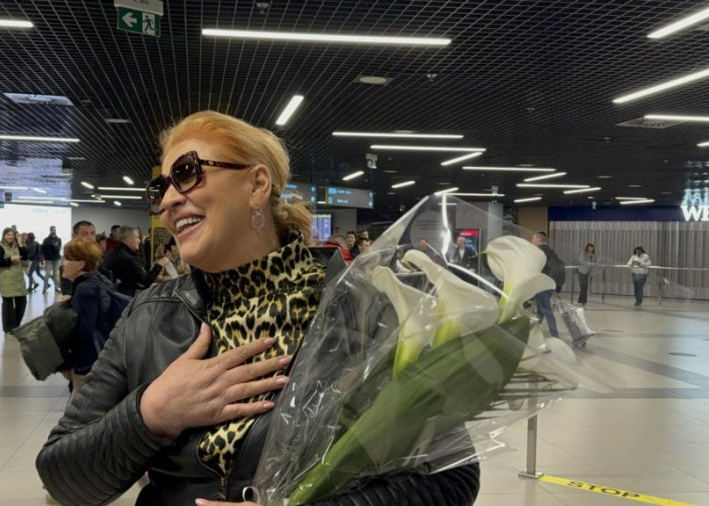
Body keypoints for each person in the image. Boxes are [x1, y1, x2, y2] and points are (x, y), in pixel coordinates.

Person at [36, 110, 480, 505]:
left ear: (258, 184)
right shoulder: (149, 315)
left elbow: (451, 474)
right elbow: (62, 478)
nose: (168, 201)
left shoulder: (360, 307)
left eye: (187, 173)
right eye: (161, 188)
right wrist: (151, 412)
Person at [61, 239, 121, 397]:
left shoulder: (84, 289)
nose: (63, 264)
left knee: (79, 403)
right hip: (100, 353)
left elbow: (84, 331)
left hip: (87, 358)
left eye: (67, 259)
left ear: (80, 264)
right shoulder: (99, 281)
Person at [99, 226, 168, 296]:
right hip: (124, 296)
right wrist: (159, 264)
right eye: (137, 238)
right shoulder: (129, 259)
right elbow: (146, 281)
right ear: (129, 239)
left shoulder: (112, 252)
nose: (140, 241)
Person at [0, 228, 29, 335]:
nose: (11, 237)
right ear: (4, 236)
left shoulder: (17, 246)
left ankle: (16, 325)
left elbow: (25, 257)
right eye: (8, 235)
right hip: (6, 279)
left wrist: (20, 244)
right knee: (8, 304)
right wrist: (11, 259)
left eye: (12, 235)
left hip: (18, 279)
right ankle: (8, 328)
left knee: (22, 301)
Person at [531, 232, 560, 338]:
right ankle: (533, 331)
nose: (532, 240)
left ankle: (554, 334)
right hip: (549, 284)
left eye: (533, 238)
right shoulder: (552, 252)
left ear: (539, 239)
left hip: (541, 284)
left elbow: (534, 268)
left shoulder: (538, 252)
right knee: (540, 310)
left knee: (546, 310)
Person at [41, 225, 62, 293]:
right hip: (48, 259)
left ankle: (56, 288)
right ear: (50, 230)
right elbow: (42, 249)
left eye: (54, 230)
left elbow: (58, 250)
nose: (53, 231)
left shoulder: (59, 240)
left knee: (55, 274)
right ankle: (45, 288)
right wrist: (42, 258)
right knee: (47, 274)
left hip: (56, 259)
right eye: (52, 230)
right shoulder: (46, 240)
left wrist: (55, 245)